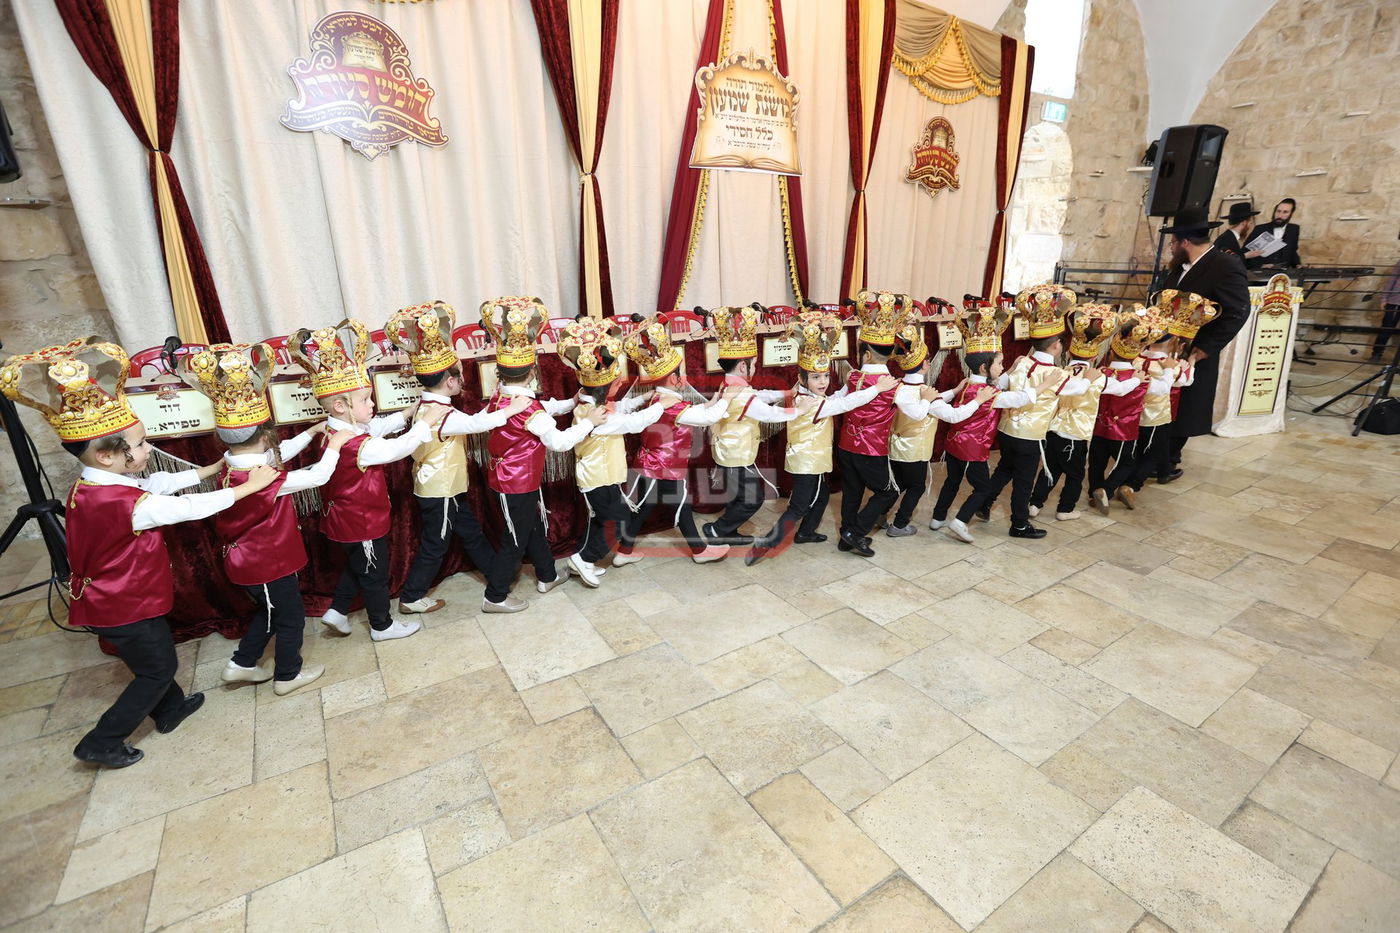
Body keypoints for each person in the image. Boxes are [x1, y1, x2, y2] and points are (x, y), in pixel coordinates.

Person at [1, 337, 278, 768]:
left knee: (154, 658)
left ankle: (169, 710)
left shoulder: (97, 484)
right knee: (156, 669)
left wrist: (207, 470)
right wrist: (248, 488)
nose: (148, 450)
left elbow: (155, 485)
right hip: (122, 602)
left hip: (121, 597)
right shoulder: (123, 503)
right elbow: (185, 508)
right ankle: (102, 741)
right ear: (110, 456)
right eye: (142, 444)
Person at [180, 342, 351, 696]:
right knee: (290, 618)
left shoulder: (234, 462)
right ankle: (288, 674)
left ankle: (241, 664)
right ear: (262, 437)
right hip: (265, 565)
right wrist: (335, 445)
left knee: (272, 615)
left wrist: (309, 433)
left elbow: (278, 455)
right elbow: (317, 477)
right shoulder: (263, 479)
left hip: (251, 563)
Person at [291, 319, 432, 641]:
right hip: (361, 520)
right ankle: (381, 626)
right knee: (374, 574)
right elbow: (396, 449)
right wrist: (425, 425)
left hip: (348, 519)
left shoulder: (340, 429)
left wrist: (408, 413)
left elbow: (378, 428)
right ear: (341, 406)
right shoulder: (356, 444)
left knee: (360, 567)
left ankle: (337, 610)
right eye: (366, 400)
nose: (372, 404)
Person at [385, 301, 527, 614]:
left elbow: (471, 418)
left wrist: (495, 405)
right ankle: (411, 597)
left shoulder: (433, 407)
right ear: (450, 382)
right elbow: (475, 424)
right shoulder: (442, 414)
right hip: (441, 490)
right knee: (435, 544)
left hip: (444, 487)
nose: (462, 382)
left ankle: (497, 573)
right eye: (459, 377)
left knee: (471, 532)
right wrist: (511, 410)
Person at [478, 297, 604, 612]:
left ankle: (547, 575)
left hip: (516, 480)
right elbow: (559, 442)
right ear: (532, 371)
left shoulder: (502, 395)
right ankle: (494, 597)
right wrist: (588, 421)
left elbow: (545, 409)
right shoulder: (527, 409)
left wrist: (571, 403)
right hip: (514, 484)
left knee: (531, 526)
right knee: (515, 540)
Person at [746, 311, 895, 566]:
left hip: (807, 459)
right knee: (799, 506)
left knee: (823, 493)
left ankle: (806, 532)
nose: (823, 381)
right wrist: (875, 389)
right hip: (808, 462)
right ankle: (767, 543)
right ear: (802, 377)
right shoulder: (809, 402)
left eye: (825, 375)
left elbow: (836, 398)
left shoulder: (804, 395)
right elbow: (845, 403)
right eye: (816, 377)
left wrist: (851, 383)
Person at [947, 285, 1083, 543]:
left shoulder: (1021, 362)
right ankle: (1019, 524)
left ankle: (984, 505)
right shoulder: (1058, 375)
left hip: (1007, 430)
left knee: (1004, 470)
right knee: (1023, 481)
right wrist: (1087, 374)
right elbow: (1081, 388)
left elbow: (1000, 383)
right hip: (1030, 437)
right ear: (1057, 346)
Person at [556, 315, 664, 586]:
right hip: (598, 477)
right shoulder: (600, 416)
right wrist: (664, 404)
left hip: (601, 475)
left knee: (600, 518)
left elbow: (623, 410)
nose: (619, 383)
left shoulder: (590, 403)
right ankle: (584, 558)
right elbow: (634, 423)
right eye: (616, 382)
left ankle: (584, 558)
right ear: (607, 388)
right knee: (617, 520)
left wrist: (643, 398)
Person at [615, 313, 731, 566]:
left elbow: (697, 412)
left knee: (648, 507)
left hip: (650, 464)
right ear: (677, 379)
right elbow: (707, 419)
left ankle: (624, 551)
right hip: (666, 467)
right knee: (682, 508)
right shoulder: (673, 406)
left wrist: (715, 400)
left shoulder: (659, 399)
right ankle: (700, 552)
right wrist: (728, 399)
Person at [701, 304, 809, 547]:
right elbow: (768, 414)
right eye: (753, 363)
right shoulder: (741, 393)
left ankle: (727, 530)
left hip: (727, 451)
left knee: (738, 497)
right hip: (737, 455)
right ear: (742, 366)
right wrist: (797, 410)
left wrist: (783, 393)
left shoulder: (729, 385)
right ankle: (717, 531)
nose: (755, 367)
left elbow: (757, 396)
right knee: (753, 499)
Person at [1161, 207, 1252, 468]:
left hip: (1196, 350)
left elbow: (1237, 312)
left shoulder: (1225, 265)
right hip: (1166, 348)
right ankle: (1156, 456)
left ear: (1185, 241)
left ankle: (1169, 460)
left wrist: (1202, 349)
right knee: (1163, 404)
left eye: (1173, 241)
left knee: (1186, 407)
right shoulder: (1179, 268)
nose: (1171, 246)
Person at [928, 300, 1022, 532]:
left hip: (954, 445)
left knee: (952, 481)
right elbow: (1018, 399)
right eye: (1000, 363)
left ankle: (937, 518)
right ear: (984, 368)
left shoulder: (970, 383)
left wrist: (1011, 370)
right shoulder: (989, 393)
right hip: (973, 449)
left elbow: (998, 381)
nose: (1002, 367)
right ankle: (960, 521)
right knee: (983, 488)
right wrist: (1043, 386)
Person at [883, 322, 984, 536]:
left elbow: (932, 401)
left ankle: (879, 516)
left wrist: (954, 390)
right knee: (916, 486)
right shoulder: (923, 393)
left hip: (896, 447)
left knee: (897, 484)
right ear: (925, 365)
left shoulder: (899, 386)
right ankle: (900, 525)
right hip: (914, 451)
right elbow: (952, 414)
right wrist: (978, 401)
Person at [1029, 303, 1127, 520]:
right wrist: (1137, 379)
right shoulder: (1096, 377)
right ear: (1094, 357)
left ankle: (1035, 504)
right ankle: (1065, 509)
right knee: (1075, 475)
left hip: (1054, 430)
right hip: (1075, 434)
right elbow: (1120, 390)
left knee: (1049, 470)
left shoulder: (1062, 371)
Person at [1087, 308, 1176, 513]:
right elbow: (1162, 389)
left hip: (1100, 428)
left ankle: (1094, 490)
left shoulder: (1103, 372)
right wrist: (1169, 369)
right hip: (1125, 431)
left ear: (1111, 351)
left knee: (1096, 463)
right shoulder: (1140, 377)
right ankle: (1106, 490)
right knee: (1126, 462)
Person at [1244, 198, 1301, 269]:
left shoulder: (1294, 229)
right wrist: (1261, 266)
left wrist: (1298, 265)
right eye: (1278, 211)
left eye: (1285, 212)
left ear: (1291, 214)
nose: (1280, 216)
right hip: (1261, 274)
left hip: (1283, 275)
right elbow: (1245, 254)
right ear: (1274, 212)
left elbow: (1292, 252)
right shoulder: (1259, 229)